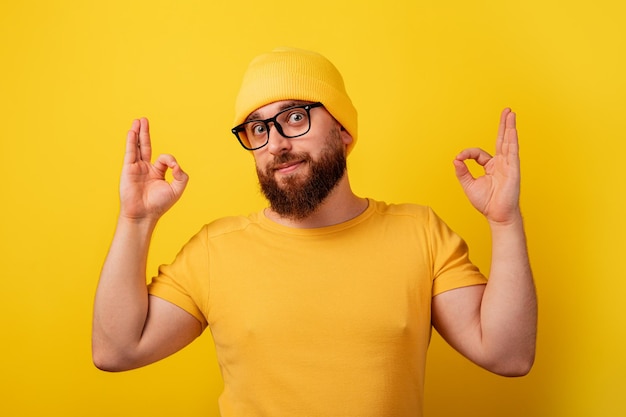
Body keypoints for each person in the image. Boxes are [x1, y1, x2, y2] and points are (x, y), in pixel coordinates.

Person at [92, 47, 537, 416]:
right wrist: (136, 220)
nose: (277, 144)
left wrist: (505, 221)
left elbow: (508, 355)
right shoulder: (215, 249)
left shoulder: (419, 232)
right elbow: (117, 351)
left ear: (342, 130)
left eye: (295, 118)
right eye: (258, 129)